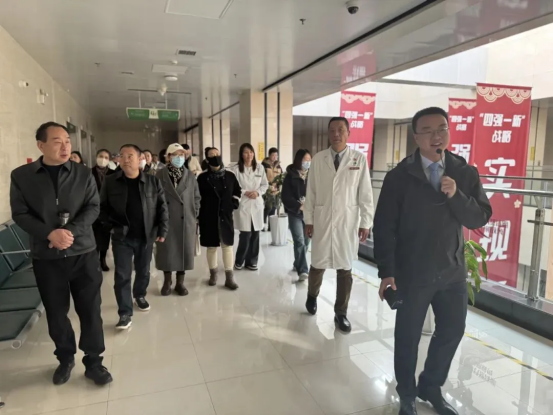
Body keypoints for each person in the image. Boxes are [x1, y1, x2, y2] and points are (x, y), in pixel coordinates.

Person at [373, 107, 492, 415]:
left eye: (442, 128)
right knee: (408, 337)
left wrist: (457, 196)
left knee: (452, 330)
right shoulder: (399, 177)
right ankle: (407, 394)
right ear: (416, 137)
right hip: (412, 272)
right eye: (427, 130)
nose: (436, 136)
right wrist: (387, 271)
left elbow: (480, 216)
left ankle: (430, 385)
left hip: (452, 270)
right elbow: (384, 226)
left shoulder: (464, 172)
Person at [10, 121, 112, 386]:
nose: (65, 146)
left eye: (67, 140)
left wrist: (69, 232)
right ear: (41, 145)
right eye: (57, 141)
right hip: (47, 257)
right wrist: (49, 234)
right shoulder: (22, 176)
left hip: (83, 253)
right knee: (56, 313)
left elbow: (93, 207)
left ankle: (94, 361)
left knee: (90, 310)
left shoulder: (83, 173)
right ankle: (65, 358)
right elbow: (20, 213)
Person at [303, 117, 373, 333]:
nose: (336, 134)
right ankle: (312, 295)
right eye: (332, 130)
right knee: (317, 265)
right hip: (322, 220)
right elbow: (311, 192)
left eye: (340, 130)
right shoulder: (318, 159)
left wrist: (365, 222)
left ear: (348, 133)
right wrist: (309, 220)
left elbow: (365, 194)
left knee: (345, 270)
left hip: (347, 222)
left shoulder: (359, 159)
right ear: (328, 134)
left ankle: (341, 313)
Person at [100, 144, 169, 330]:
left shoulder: (152, 182)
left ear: (140, 160)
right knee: (122, 275)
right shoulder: (110, 181)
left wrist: (162, 230)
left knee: (143, 270)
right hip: (121, 237)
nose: (125, 159)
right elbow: (102, 207)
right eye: (122, 155)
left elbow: (162, 207)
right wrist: (110, 226)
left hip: (146, 235)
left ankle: (139, 295)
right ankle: (125, 313)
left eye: (130, 156)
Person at [155, 143, 201, 296]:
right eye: (175, 154)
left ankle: (180, 283)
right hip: (165, 220)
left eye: (181, 155)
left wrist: (194, 212)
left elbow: (196, 197)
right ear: (168, 157)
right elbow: (154, 198)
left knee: (183, 250)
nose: (179, 158)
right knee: (166, 251)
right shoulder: (159, 175)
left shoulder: (190, 175)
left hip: (185, 220)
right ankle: (167, 281)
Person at [197, 147, 241, 289]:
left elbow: (237, 191)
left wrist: (234, 203)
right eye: (212, 155)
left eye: (217, 154)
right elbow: (197, 197)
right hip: (208, 216)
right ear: (207, 159)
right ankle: (213, 273)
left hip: (225, 215)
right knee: (211, 247)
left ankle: (229, 277)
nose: (215, 156)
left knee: (227, 246)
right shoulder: (202, 178)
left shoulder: (230, 176)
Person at [231, 143, 268, 271]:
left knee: (255, 233)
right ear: (241, 154)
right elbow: (233, 186)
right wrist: (245, 192)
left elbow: (265, 185)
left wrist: (257, 192)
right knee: (245, 234)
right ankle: (239, 260)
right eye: (246, 152)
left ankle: (252, 261)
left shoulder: (260, 168)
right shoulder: (236, 169)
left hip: (256, 203)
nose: (249, 155)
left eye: (251, 152)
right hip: (243, 204)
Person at [281, 149, 311, 282]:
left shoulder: (312, 175)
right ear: (299, 160)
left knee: (306, 241)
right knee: (299, 240)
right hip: (295, 213)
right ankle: (303, 270)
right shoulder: (290, 176)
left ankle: (297, 262)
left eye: (309, 160)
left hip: (310, 214)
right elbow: (285, 196)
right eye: (305, 160)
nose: (308, 162)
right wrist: (299, 206)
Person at [91, 149, 114, 271]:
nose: (103, 159)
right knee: (93, 236)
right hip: (92, 208)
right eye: (101, 156)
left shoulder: (113, 173)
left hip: (107, 209)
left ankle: (103, 260)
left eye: (106, 157)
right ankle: (94, 261)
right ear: (96, 157)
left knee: (105, 236)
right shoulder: (89, 172)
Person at [262, 147, 283, 230]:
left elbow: (281, 177)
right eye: (273, 155)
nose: (275, 157)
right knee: (268, 207)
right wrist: (269, 186)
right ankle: (263, 224)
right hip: (267, 190)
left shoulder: (278, 166)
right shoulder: (264, 165)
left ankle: (271, 227)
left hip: (276, 190)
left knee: (273, 208)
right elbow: (262, 178)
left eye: (276, 155)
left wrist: (279, 186)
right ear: (269, 155)